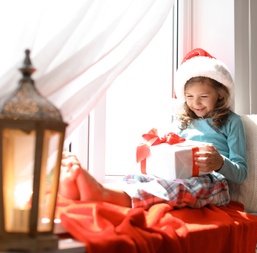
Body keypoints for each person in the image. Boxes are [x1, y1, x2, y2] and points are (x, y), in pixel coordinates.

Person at [59, 48, 247, 209]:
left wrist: (219, 162)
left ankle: (104, 195)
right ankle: (95, 190)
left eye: (203, 96)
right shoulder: (182, 122)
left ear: (220, 93)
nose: (195, 103)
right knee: (141, 176)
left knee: (180, 188)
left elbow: (241, 173)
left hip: (214, 182)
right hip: (181, 175)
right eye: (189, 96)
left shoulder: (232, 122)